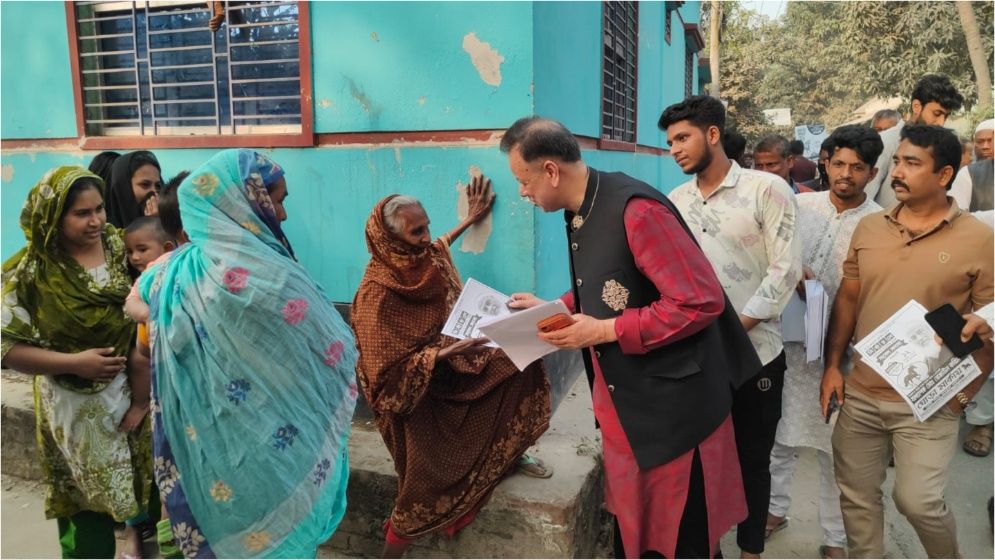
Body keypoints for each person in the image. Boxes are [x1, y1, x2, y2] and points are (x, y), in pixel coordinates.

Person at [502, 115, 757, 559]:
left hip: (674, 413)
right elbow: (609, 283)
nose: (523, 193)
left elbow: (698, 301)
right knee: (638, 534)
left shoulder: (636, 211)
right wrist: (558, 307)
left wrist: (603, 330)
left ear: (550, 171)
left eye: (524, 181)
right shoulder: (582, 210)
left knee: (681, 537)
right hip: (630, 406)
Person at [134, 149, 358, 557]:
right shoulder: (270, 274)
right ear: (246, 203)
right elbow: (336, 352)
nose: (284, 215)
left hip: (212, 448)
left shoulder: (172, 271)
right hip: (275, 452)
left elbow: (135, 307)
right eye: (279, 200)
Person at [352, 176, 552, 558]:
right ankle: (396, 542)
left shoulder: (423, 258)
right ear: (391, 240)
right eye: (417, 232)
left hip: (454, 361)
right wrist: (439, 355)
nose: (427, 237)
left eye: (427, 225)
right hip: (416, 395)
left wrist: (472, 217)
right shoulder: (376, 295)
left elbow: (440, 243)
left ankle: (504, 455)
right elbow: (385, 382)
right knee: (426, 485)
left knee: (522, 360)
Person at [820, 124, 994, 558]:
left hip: (929, 401)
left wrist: (964, 394)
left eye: (911, 163)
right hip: (860, 395)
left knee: (918, 502)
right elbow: (849, 299)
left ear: (944, 174)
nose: (897, 171)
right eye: (897, 161)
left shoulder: (978, 238)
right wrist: (831, 367)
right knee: (856, 498)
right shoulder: (870, 229)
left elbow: (989, 323)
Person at [663, 96, 802, 559]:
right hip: (697, 357)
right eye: (670, 142)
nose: (675, 149)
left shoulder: (767, 190)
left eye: (683, 138)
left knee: (751, 459)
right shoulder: (675, 202)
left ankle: (750, 551)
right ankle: (709, 548)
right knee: (702, 462)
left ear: (714, 134)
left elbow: (785, 272)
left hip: (756, 352)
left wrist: (734, 329)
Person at [1, 166, 154, 559]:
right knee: (85, 500)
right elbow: (6, 347)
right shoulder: (30, 274)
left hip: (135, 393)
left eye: (100, 209)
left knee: (147, 486)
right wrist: (72, 362)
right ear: (53, 216)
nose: (97, 221)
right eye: (82, 213)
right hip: (72, 405)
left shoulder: (123, 248)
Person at [765, 125, 884, 560]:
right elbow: (772, 252)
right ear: (825, 162)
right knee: (779, 435)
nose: (846, 174)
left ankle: (835, 536)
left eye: (857, 168)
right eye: (838, 164)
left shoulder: (880, 224)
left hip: (846, 351)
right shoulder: (799, 205)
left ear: (872, 174)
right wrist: (795, 274)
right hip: (790, 342)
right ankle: (775, 510)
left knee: (838, 447)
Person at [865, 74, 964, 208]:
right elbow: (866, 197)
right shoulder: (886, 141)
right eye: (936, 114)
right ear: (916, 106)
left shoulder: (942, 147)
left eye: (945, 116)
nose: (941, 122)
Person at [106, 150, 163, 229]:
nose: (155, 193)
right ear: (124, 188)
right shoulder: (104, 232)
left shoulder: (166, 225)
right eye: (145, 185)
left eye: (157, 186)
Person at [949, 119, 994, 214]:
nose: (985, 146)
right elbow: (957, 215)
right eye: (980, 141)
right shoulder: (967, 173)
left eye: (990, 140)